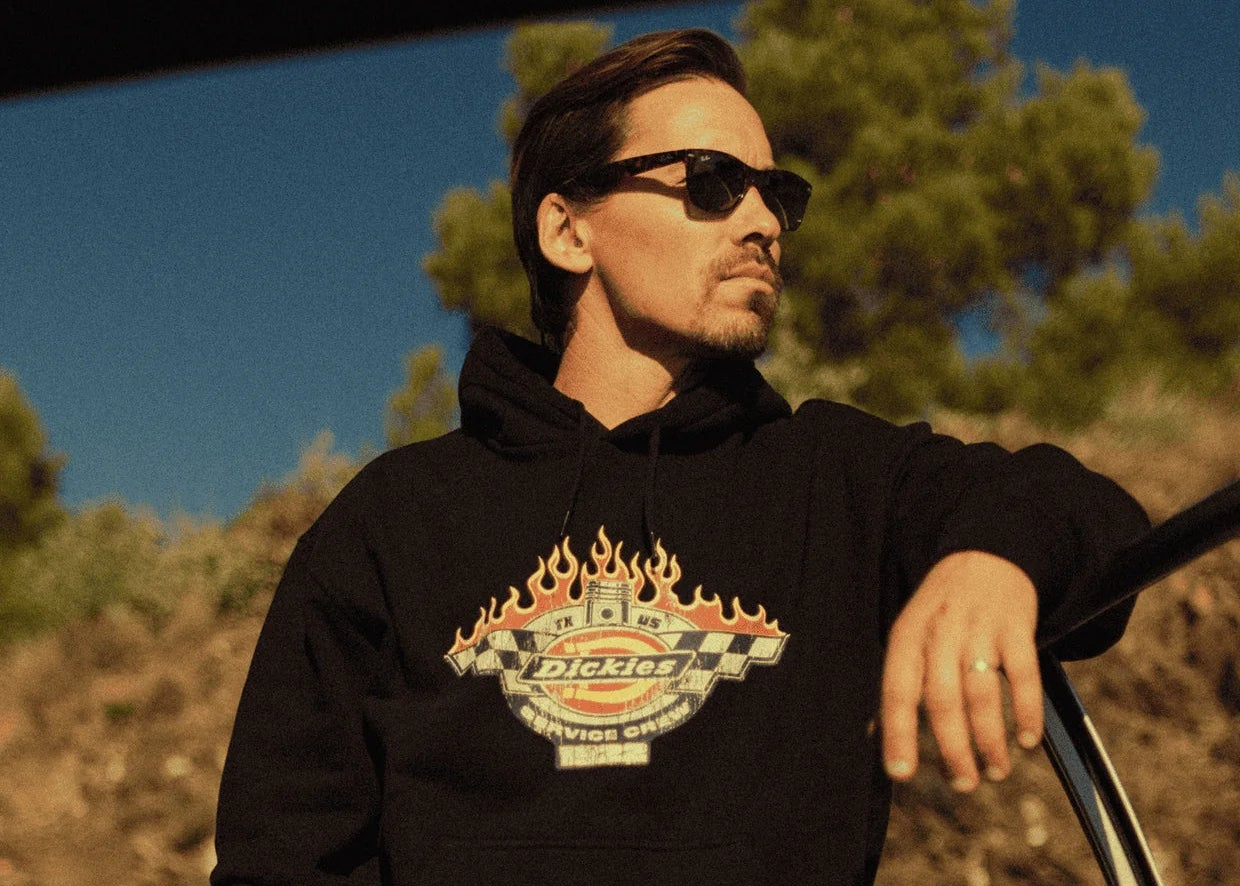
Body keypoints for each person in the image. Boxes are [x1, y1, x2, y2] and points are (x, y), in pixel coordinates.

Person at [211, 28, 1149, 886]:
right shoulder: (396, 520)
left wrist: (992, 555)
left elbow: (1094, 519)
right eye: (711, 181)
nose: (763, 221)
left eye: (777, 193)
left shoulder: (839, 479)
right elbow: (283, 857)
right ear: (567, 231)